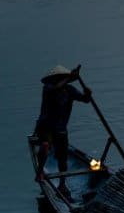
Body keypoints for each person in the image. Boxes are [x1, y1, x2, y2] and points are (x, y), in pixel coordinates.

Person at [33, 65, 92, 196]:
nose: (59, 80)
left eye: (61, 77)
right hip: (46, 126)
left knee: (62, 158)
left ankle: (62, 184)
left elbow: (85, 100)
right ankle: (40, 172)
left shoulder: (70, 90)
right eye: (57, 78)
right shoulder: (48, 89)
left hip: (61, 129)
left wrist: (88, 93)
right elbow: (56, 87)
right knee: (45, 145)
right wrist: (71, 77)